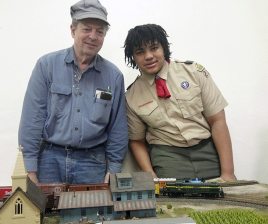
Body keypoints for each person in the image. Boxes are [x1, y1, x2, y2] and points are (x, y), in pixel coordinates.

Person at [18, 0, 128, 185]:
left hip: (92, 163)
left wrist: (114, 168)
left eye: (99, 31)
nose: (93, 36)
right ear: (73, 30)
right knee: (43, 212)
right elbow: (33, 118)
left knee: (93, 212)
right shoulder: (46, 66)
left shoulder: (114, 76)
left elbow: (118, 127)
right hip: (48, 162)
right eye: (87, 29)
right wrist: (29, 168)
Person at [123, 24, 236, 182]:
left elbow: (217, 121)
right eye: (140, 52)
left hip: (206, 151)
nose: (148, 56)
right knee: (176, 203)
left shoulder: (194, 72)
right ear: (133, 57)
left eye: (154, 48)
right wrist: (151, 177)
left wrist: (228, 173)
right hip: (167, 157)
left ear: (164, 48)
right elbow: (136, 141)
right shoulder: (131, 96)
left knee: (221, 200)